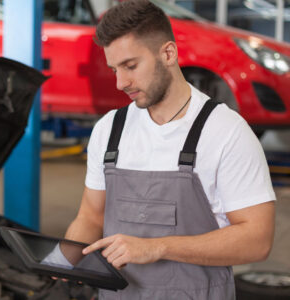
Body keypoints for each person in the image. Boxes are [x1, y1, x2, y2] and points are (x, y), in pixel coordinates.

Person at [62, 0, 276, 299]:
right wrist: (64, 265)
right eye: (114, 69)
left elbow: (257, 240)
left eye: (131, 66)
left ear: (168, 53)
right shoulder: (109, 130)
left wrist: (157, 246)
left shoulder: (226, 132)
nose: (121, 82)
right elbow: (91, 217)